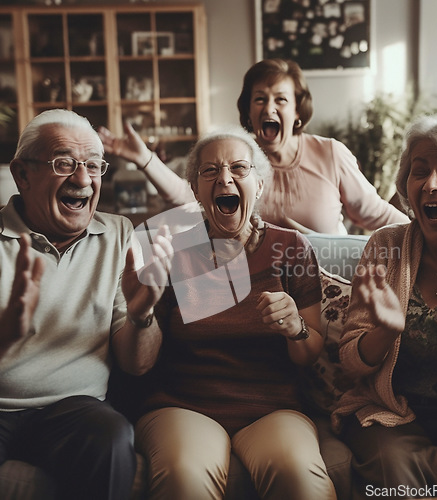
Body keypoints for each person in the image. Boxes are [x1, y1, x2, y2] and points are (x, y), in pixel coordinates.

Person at [130, 126, 337, 499]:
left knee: (299, 477)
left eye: (238, 168)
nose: (224, 178)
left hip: (272, 408)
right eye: (210, 171)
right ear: (195, 190)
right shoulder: (172, 252)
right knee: (183, 476)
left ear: (258, 185)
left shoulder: (290, 247)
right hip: (183, 405)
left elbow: (310, 353)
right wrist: (143, 307)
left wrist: (297, 328)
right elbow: (138, 361)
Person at [0, 109, 172, 499]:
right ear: (22, 174)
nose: (82, 179)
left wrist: (142, 315)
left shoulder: (119, 234)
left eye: (93, 165)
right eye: (64, 163)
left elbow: (137, 364)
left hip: (74, 410)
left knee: (111, 436)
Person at [331, 115, 437, 497]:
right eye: (419, 171)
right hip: (393, 409)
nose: (431, 183)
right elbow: (350, 360)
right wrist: (385, 331)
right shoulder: (385, 246)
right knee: (390, 469)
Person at [98, 58, 409, 235]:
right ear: (248, 110)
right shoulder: (237, 159)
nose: (269, 108)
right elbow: (190, 197)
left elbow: (382, 217)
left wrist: (430, 241)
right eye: (259, 99)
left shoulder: (329, 153)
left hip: (325, 289)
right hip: (261, 292)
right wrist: (144, 158)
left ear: (297, 112)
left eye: (281, 100)